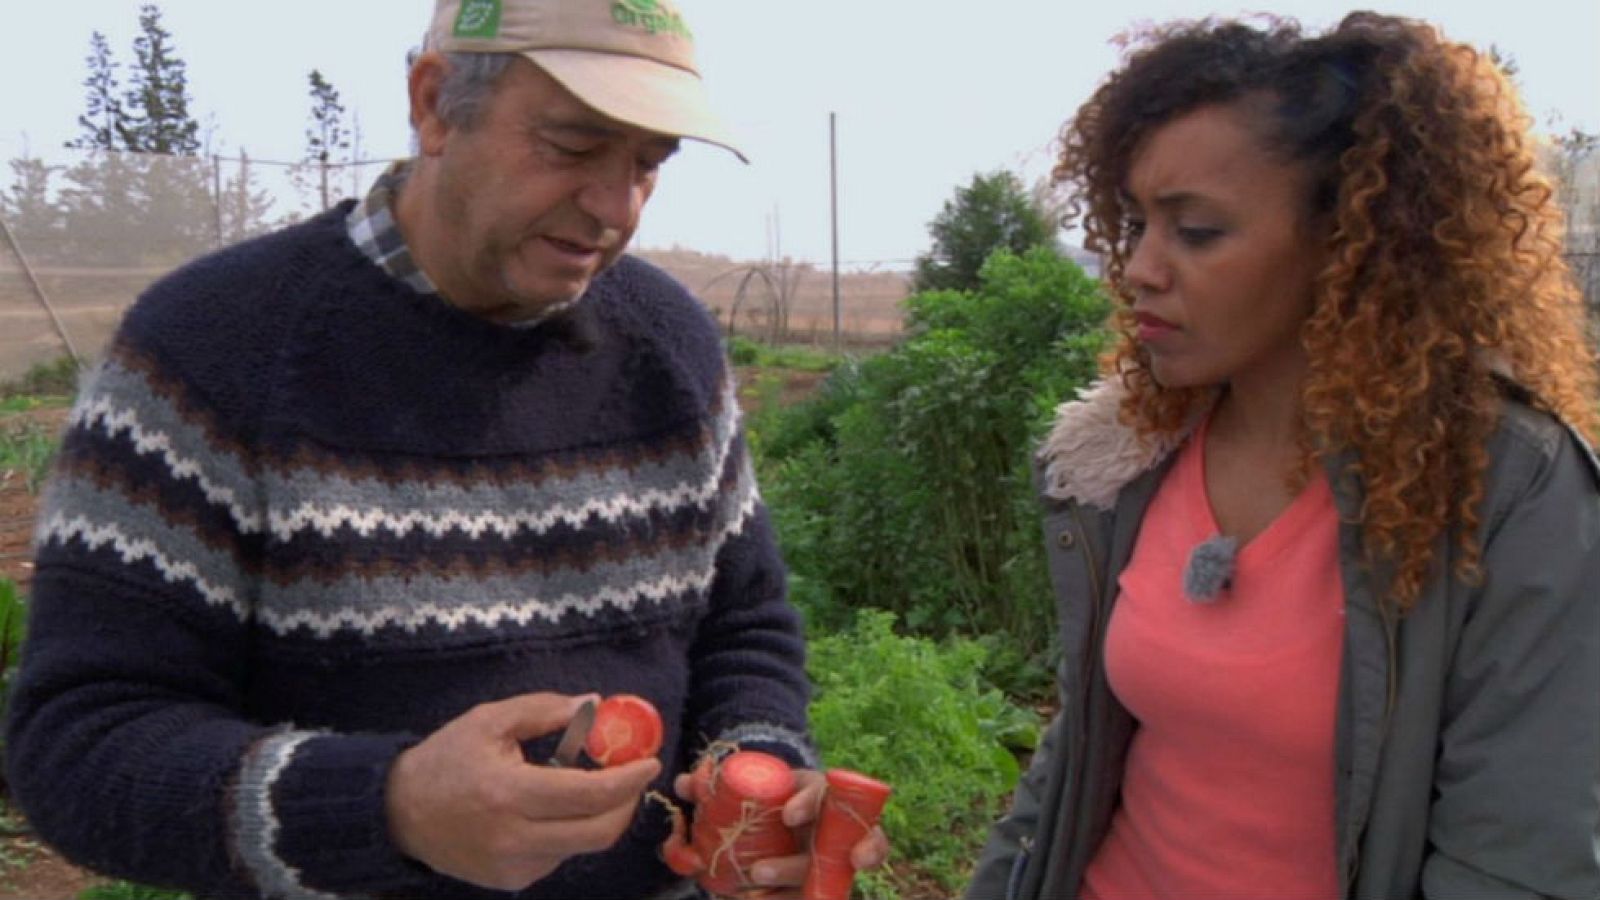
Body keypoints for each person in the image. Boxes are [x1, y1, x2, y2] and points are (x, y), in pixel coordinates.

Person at [5, 1, 886, 897]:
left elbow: (743, 623)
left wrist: (755, 765)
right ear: (434, 104)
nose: (615, 207)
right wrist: (390, 807)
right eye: (575, 146)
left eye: (648, 164)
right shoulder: (211, 350)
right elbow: (80, 744)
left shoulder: (670, 344)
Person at [966, 12, 1600, 900]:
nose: (1140, 267)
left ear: (1349, 246)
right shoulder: (1125, 458)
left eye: (1195, 232)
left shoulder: (1503, 486)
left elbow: (1519, 861)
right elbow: (1073, 768)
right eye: (1135, 222)